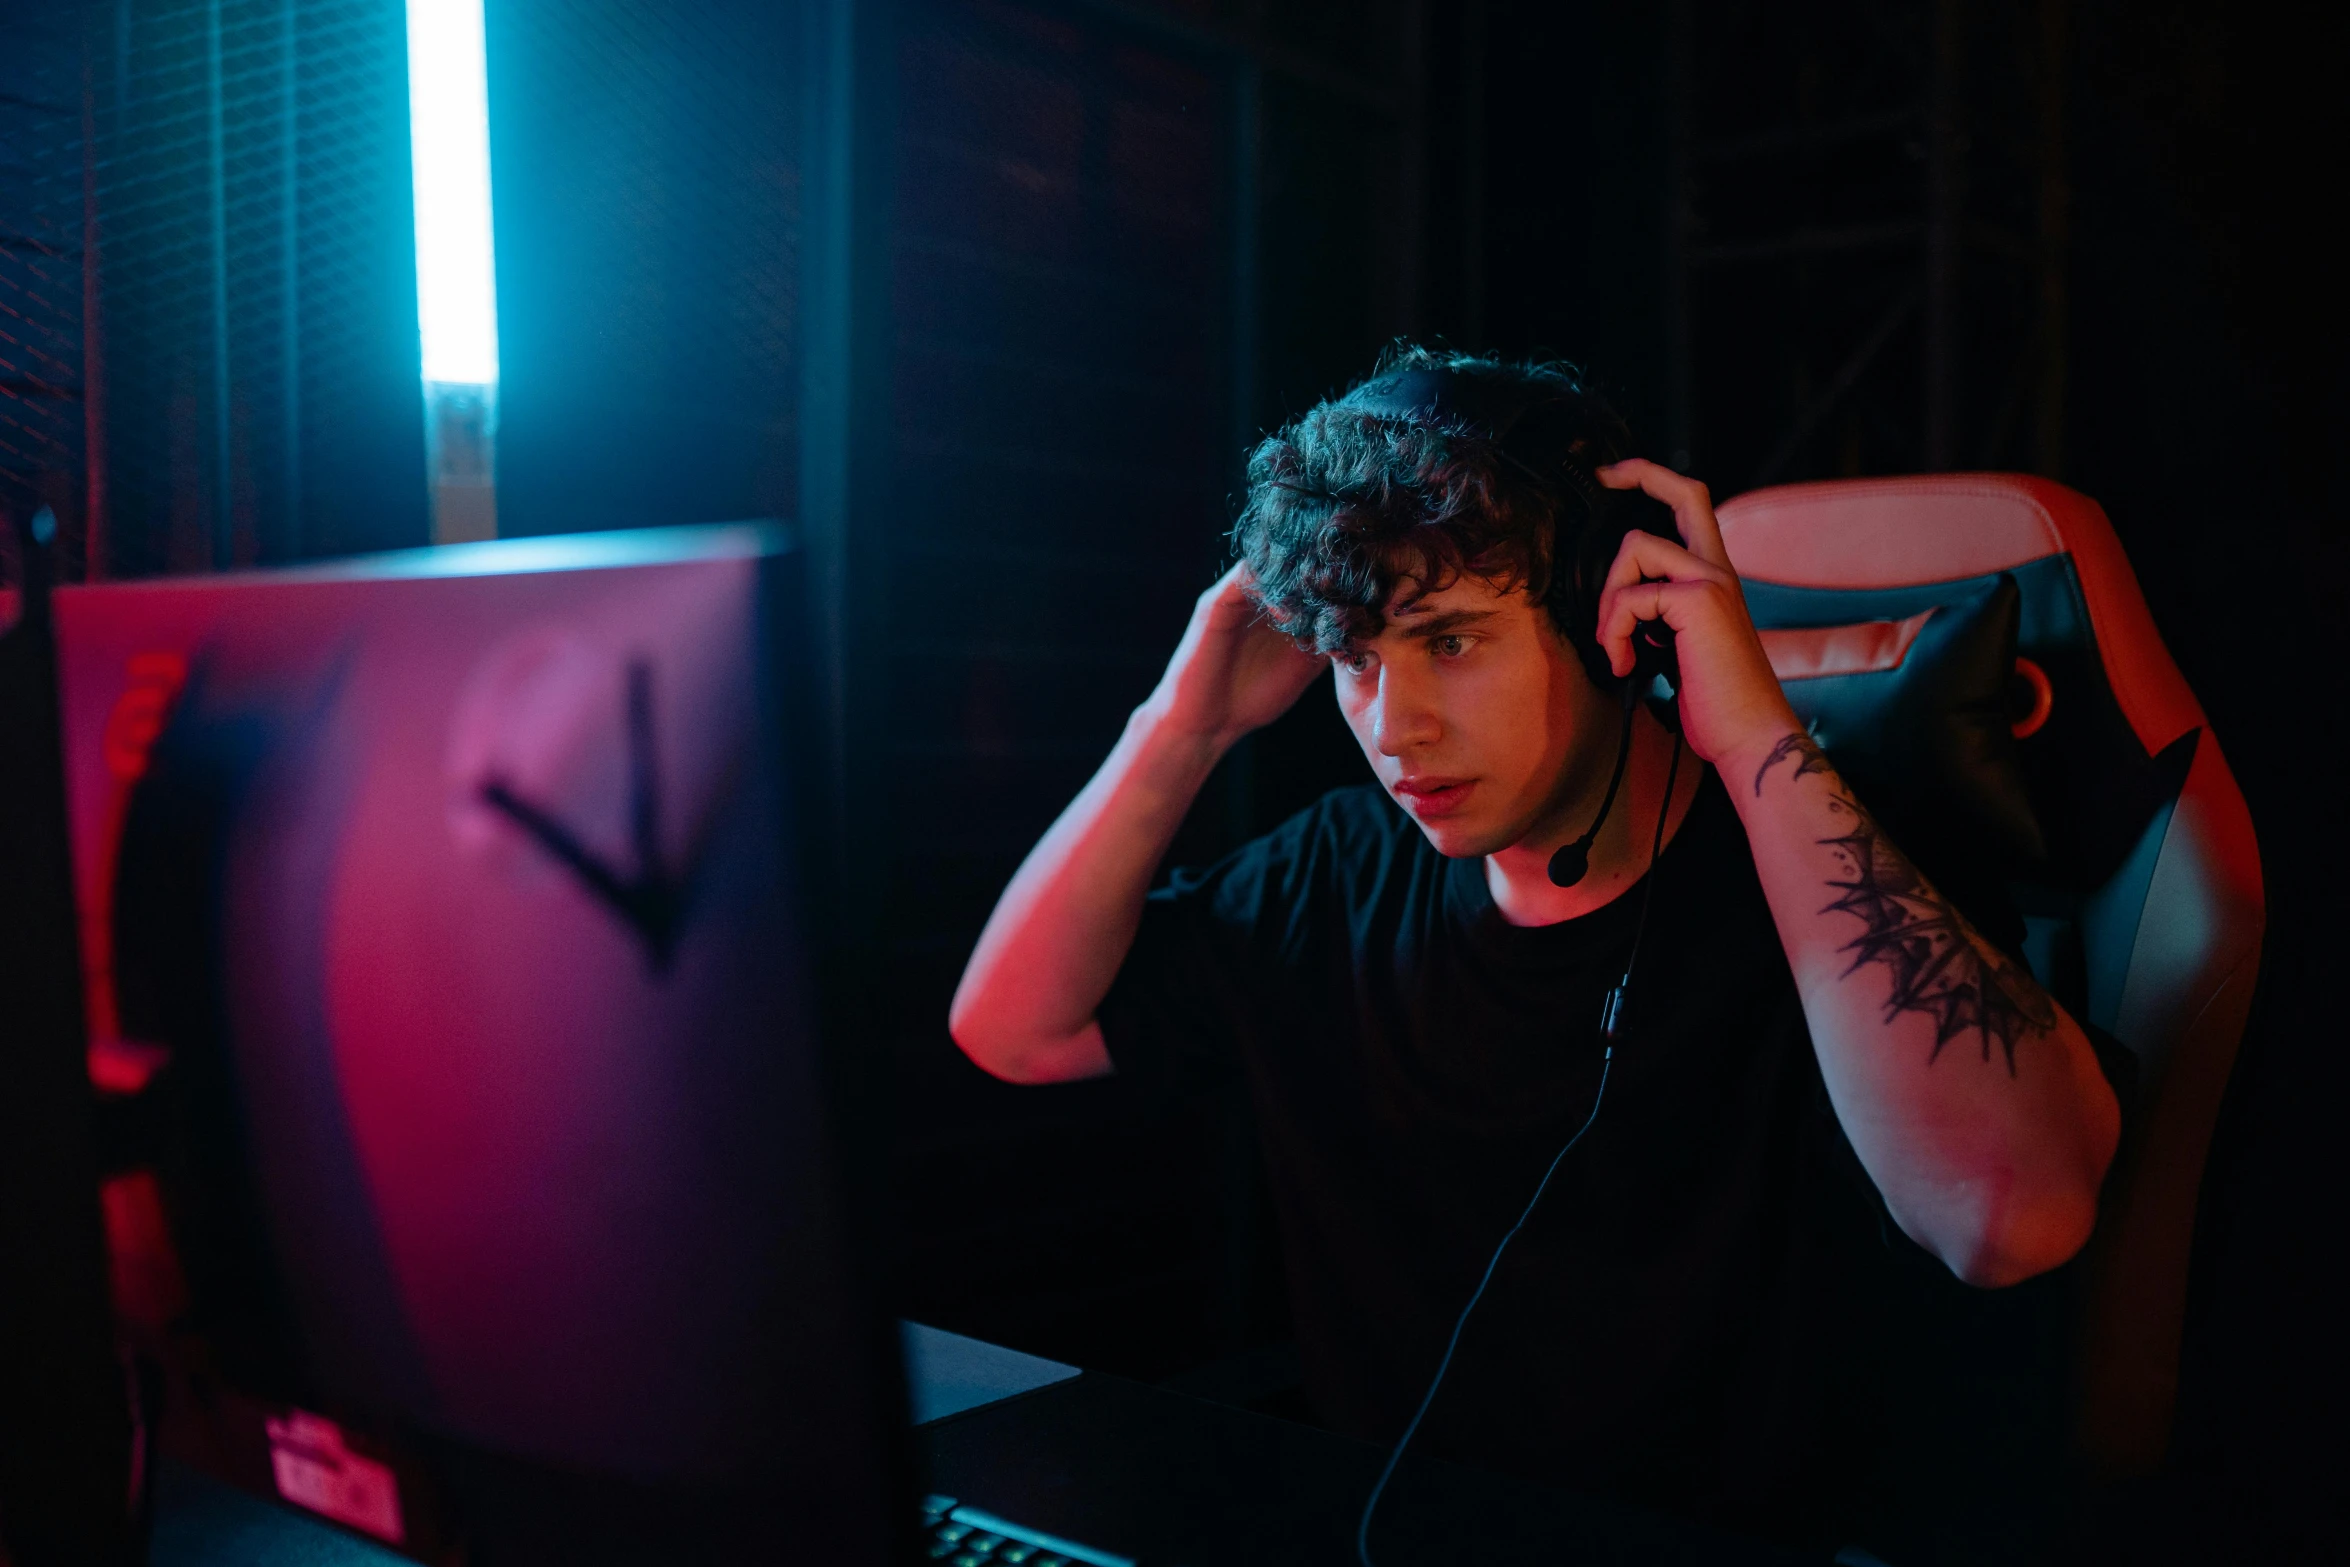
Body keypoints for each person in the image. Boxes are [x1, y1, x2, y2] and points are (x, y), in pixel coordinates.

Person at [948, 345, 2122, 1557]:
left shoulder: (1837, 865)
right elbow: (1014, 1028)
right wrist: (1180, 725)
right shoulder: (1333, 871)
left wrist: (1751, 730)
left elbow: (2010, 1218)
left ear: (1611, 615)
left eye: (1450, 640)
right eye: (1354, 659)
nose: (1392, 729)